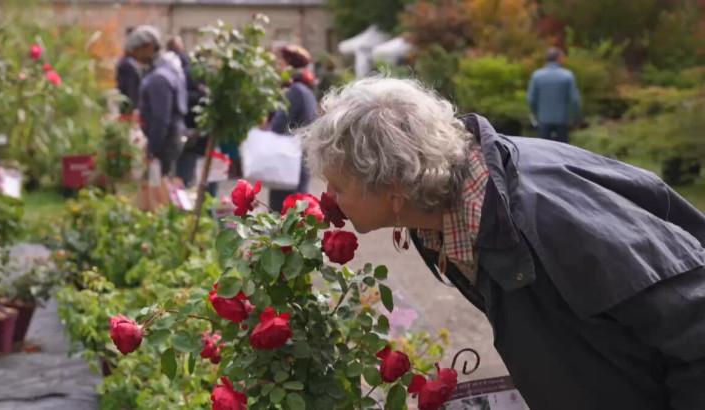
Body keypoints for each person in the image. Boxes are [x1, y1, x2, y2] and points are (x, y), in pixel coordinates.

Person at [301, 77, 705, 410]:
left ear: (393, 189)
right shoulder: (441, 212)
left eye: (338, 185)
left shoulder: (550, 221)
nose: (329, 197)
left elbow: (694, 327)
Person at [268, 44, 318, 212]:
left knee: (281, 217)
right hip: (300, 160)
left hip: (288, 165)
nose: (276, 65)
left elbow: (277, 127)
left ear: (288, 64)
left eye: (279, 61)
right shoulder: (306, 89)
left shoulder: (294, 91)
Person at [136, 26, 188, 177]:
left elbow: (160, 118)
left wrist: (152, 149)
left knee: (159, 184)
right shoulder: (168, 69)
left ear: (148, 47)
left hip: (165, 141)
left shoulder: (159, 77)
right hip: (171, 136)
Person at [166, 35, 206, 187]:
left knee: (181, 166)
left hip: (182, 124)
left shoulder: (182, 69)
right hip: (191, 125)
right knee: (186, 167)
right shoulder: (190, 69)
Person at [527, 47, 581, 143]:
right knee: (562, 150)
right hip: (562, 120)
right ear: (559, 58)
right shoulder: (567, 75)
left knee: (544, 149)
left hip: (543, 120)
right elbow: (574, 100)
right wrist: (575, 117)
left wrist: (535, 114)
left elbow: (531, 99)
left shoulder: (537, 76)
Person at [115, 27, 143, 114]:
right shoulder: (128, 64)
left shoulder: (127, 61)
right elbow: (130, 89)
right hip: (129, 107)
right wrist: (134, 108)